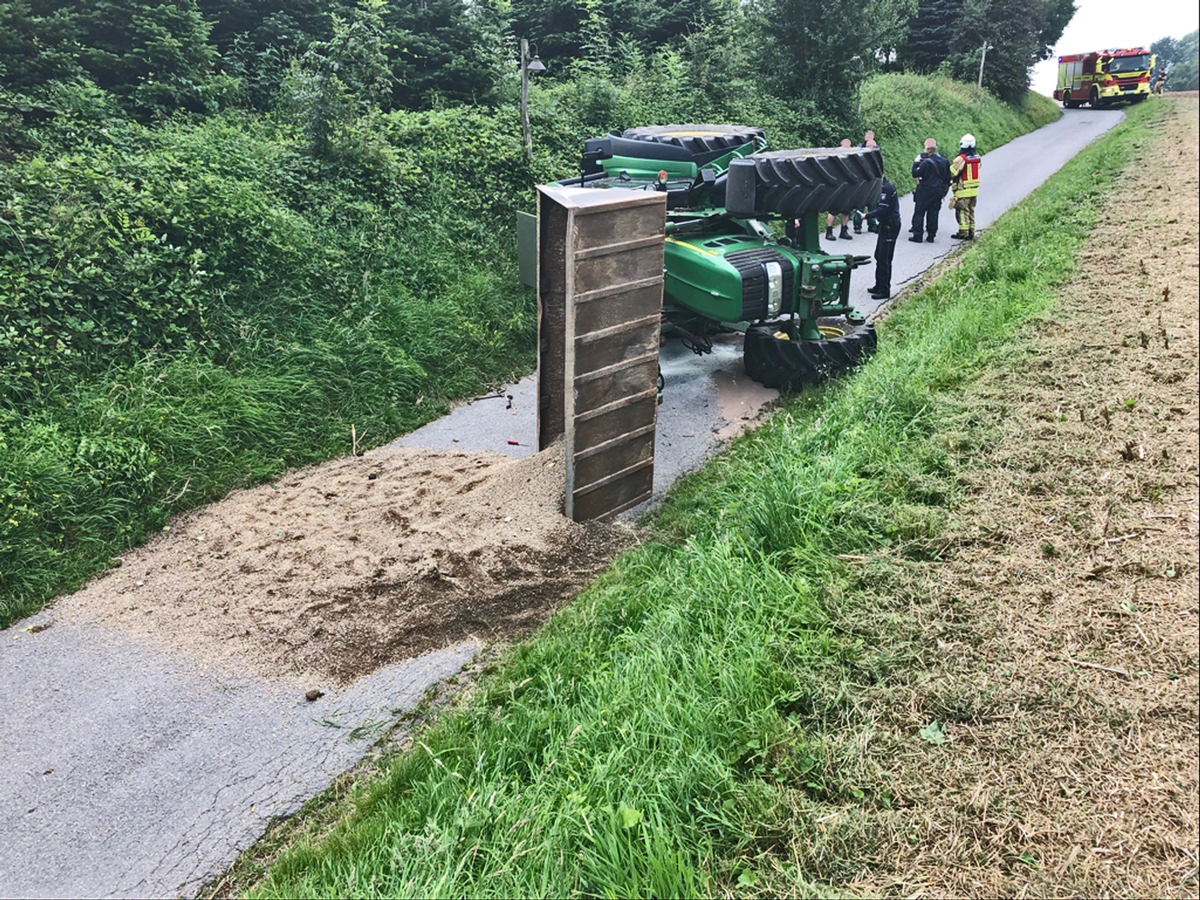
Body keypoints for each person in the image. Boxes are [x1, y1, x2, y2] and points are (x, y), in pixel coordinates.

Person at [864, 176, 902, 300]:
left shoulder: (885, 188)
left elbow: (883, 210)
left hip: (890, 226)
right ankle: (879, 285)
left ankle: (885, 289)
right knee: (879, 256)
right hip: (885, 225)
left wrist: (867, 216)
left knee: (885, 258)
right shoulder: (881, 187)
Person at [909, 138, 950, 243]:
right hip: (937, 192)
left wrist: (916, 163)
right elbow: (947, 178)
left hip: (924, 191)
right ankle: (931, 236)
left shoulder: (925, 163)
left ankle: (917, 236)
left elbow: (915, 173)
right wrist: (944, 191)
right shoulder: (944, 161)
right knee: (934, 213)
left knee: (919, 212)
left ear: (927, 150)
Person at [949, 133, 981, 240]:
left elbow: (952, 172)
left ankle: (963, 233)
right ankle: (971, 232)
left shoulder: (961, 159)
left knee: (962, 211)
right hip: (974, 190)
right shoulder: (977, 158)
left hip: (963, 190)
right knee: (971, 211)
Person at [825, 138, 855, 241]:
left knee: (846, 210)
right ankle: (829, 232)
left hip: (847, 186)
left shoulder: (850, 157)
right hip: (836, 187)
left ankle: (843, 231)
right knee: (833, 210)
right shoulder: (835, 158)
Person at [853, 132, 880, 234]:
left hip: (873, 181)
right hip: (862, 182)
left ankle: (872, 224)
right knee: (860, 204)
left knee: (872, 204)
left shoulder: (877, 153)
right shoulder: (859, 153)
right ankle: (857, 225)